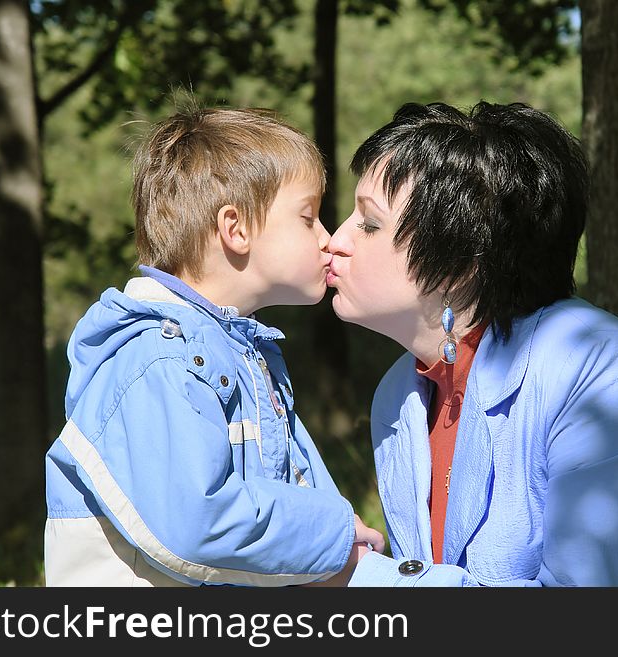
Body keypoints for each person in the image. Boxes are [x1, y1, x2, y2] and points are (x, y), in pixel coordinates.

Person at [326, 101, 618, 587]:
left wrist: (362, 579)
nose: (335, 240)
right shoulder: (401, 392)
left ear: (461, 260)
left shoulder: (594, 366)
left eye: (369, 224)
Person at [44, 106, 383, 587]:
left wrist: (345, 549)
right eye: (309, 218)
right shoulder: (157, 361)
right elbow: (195, 524)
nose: (328, 240)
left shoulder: (244, 358)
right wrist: (334, 539)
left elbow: (295, 494)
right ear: (236, 229)